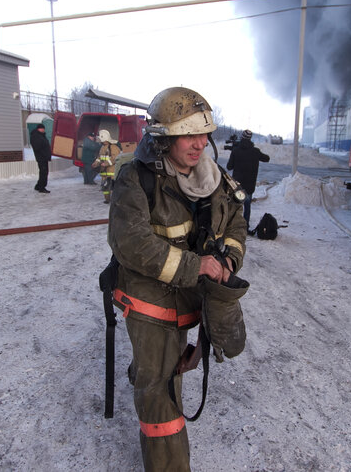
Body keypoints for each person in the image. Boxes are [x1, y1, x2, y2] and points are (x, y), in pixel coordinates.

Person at [107, 87, 248, 471]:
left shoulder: (215, 179)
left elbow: (236, 222)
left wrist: (229, 258)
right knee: (162, 395)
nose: (200, 144)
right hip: (151, 304)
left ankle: (148, 366)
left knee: (174, 366)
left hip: (192, 300)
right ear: (163, 137)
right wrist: (196, 266)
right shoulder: (135, 180)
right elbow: (131, 243)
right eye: (189, 134)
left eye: (204, 134)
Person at [226, 129, 270, 226]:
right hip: (250, 186)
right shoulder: (255, 151)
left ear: (242, 137)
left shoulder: (236, 151)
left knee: (234, 206)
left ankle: (232, 225)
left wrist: (233, 152)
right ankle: (245, 225)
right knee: (247, 206)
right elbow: (267, 158)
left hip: (237, 185)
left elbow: (229, 167)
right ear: (250, 139)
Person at [93, 129, 121, 203]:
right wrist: (96, 162)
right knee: (105, 187)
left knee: (113, 186)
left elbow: (115, 158)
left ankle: (115, 200)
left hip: (111, 172)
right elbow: (100, 157)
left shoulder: (113, 147)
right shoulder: (102, 148)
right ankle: (107, 199)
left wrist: (106, 163)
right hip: (104, 172)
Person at [30, 123, 52, 193]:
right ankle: (42, 187)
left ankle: (38, 186)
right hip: (41, 157)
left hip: (44, 157)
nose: (43, 130)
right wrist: (44, 153)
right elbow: (37, 147)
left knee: (43, 172)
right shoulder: (36, 136)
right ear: (39, 129)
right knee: (44, 173)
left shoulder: (41, 135)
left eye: (44, 128)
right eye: (42, 128)